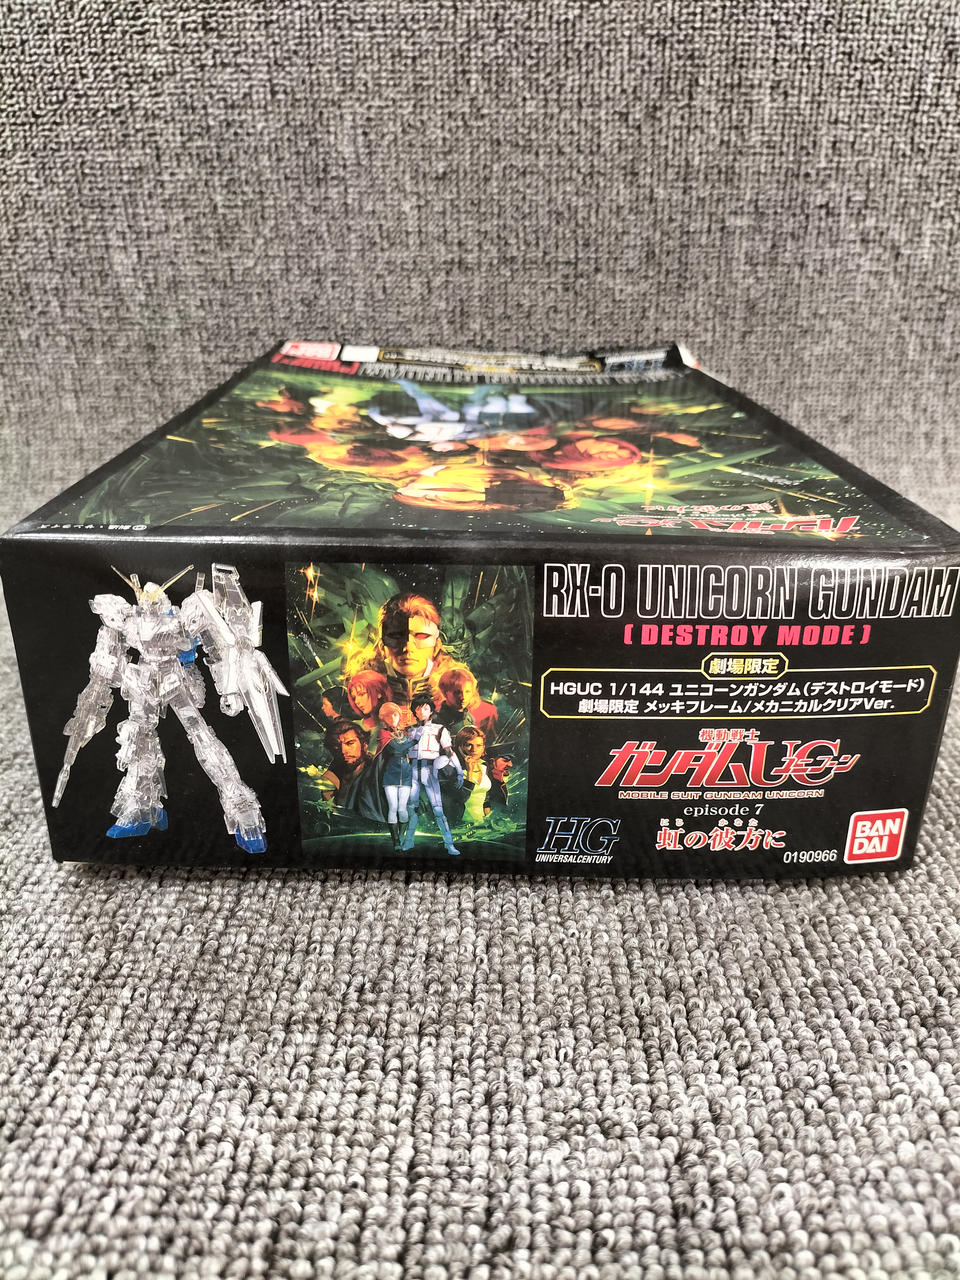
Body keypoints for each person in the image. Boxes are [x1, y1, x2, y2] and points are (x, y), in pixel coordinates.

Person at [401, 692, 462, 855]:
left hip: (430, 770)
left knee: (438, 809)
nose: (422, 712)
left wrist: (459, 771)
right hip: (413, 770)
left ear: (431, 711)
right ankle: (408, 841)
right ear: (414, 711)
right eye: (418, 708)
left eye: (426, 708)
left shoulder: (439, 729)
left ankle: (449, 844)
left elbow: (449, 752)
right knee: (411, 808)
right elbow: (402, 753)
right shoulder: (408, 731)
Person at [376, 702, 415, 850]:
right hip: (390, 774)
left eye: (395, 714)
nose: (392, 718)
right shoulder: (383, 733)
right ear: (383, 718)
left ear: (399, 715)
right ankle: (396, 840)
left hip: (406, 774)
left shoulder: (406, 733)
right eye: (388, 715)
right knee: (393, 806)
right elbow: (397, 748)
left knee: (402, 808)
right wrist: (415, 740)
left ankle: (401, 836)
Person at [320, 718, 371, 805]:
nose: (343, 751)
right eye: (337, 745)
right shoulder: (331, 775)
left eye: (350, 743)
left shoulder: (378, 768)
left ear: (364, 745)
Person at [437, 664, 497, 735]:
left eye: (468, 691)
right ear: (445, 692)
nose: (463, 697)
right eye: (457, 692)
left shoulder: (469, 719)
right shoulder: (437, 721)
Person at [454, 727, 492, 825]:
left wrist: (488, 820)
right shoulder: (453, 770)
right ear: (460, 747)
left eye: (479, 745)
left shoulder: (483, 766)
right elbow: (460, 799)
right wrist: (469, 772)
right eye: (468, 745)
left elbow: (486, 798)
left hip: (480, 824)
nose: (474, 750)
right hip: (461, 825)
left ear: (483, 748)